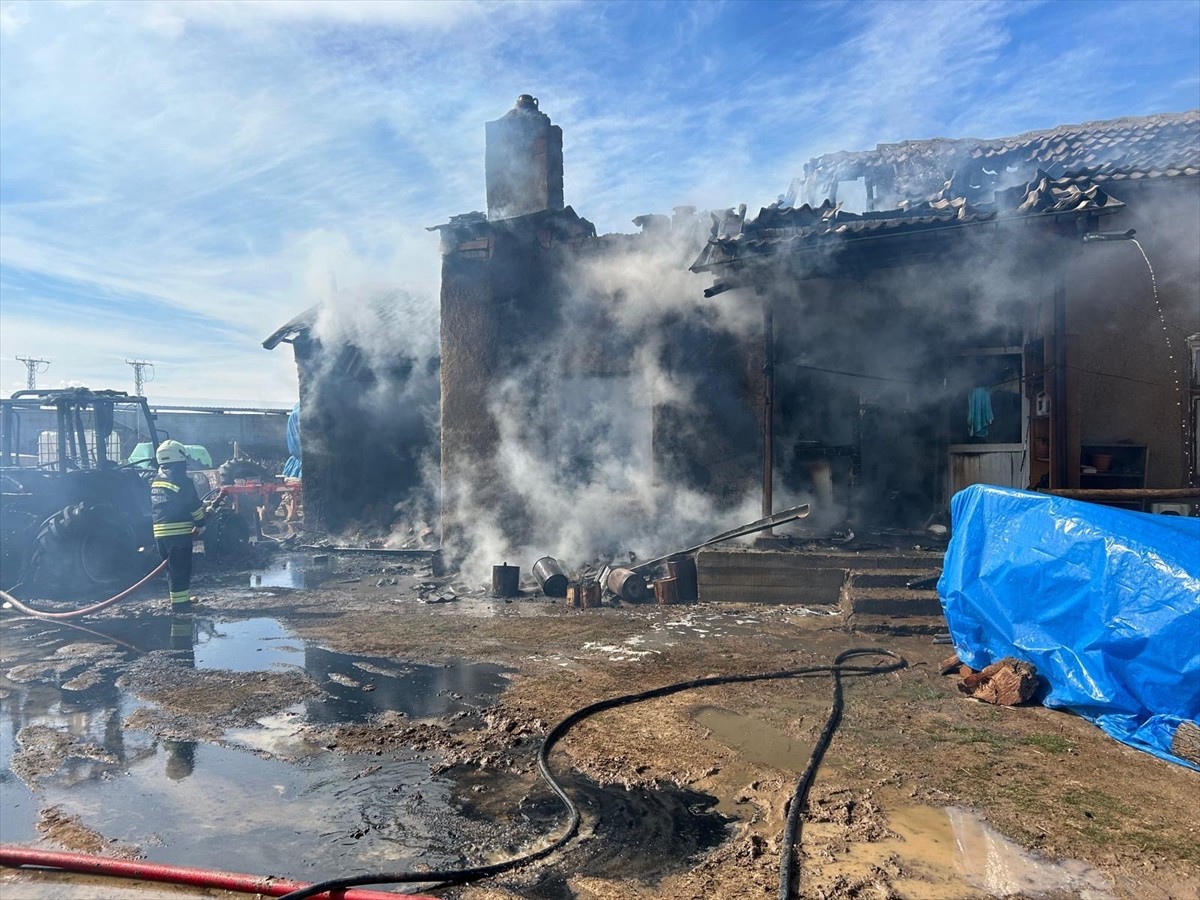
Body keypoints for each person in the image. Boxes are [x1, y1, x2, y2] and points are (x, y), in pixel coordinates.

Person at [150, 440, 207, 610]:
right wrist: (201, 523)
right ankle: (181, 605)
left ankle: (180, 600)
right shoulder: (182, 480)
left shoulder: (157, 479)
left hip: (160, 534)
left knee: (173, 570)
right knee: (181, 569)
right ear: (180, 457)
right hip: (178, 533)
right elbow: (193, 505)